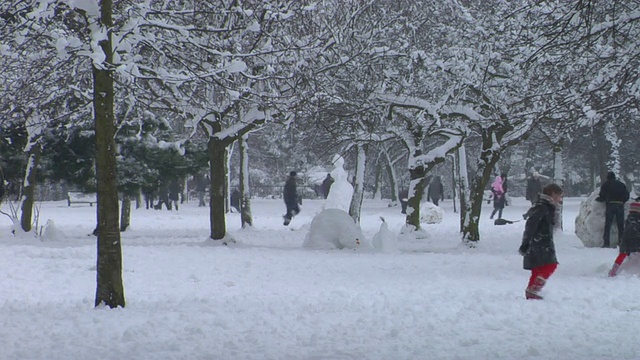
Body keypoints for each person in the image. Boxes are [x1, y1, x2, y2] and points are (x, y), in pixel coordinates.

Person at [518, 183, 563, 300]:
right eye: (559, 196)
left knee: (538, 268)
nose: (560, 199)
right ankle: (533, 290)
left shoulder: (546, 206)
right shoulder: (542, 207)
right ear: (552, 194)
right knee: (550, 265)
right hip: (540, 242)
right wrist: (525, 242)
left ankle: (531, 292)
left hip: (541, 241)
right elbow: (531, 225)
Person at [596, 171, 630, 248]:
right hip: (620, 205)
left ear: (608, 177)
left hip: (611, 205)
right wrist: (622, 201)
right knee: (620, 226)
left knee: (608, 225)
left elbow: (602, 195)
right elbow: (627, 195)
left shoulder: (606, 184)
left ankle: (606, 243)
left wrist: (602, 199)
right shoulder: (621, 184)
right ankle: (621, 243)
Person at [608, 201, 640, 277]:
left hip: (625, 242)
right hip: (636, 242)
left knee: (621, 256)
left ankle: (614, 270)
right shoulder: (637, 220)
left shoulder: (629, 219)